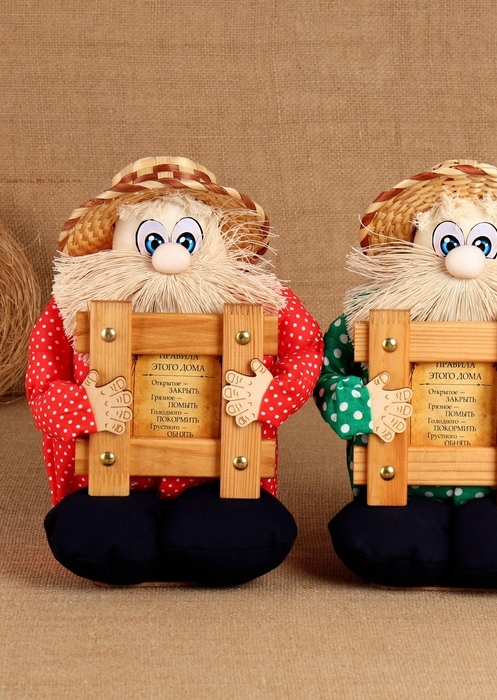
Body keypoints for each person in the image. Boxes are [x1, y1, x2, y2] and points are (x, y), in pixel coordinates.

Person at [27, 157, 323, 586]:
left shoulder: (257, 298)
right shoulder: (73, 305)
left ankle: (207, 529)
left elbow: (306, 349)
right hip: (109, 481)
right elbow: (42, 384)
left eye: (186, 239)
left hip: (222, 478)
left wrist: (267, 397)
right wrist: (85, 406)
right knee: (98, 537)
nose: (169, 255)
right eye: (151, 240)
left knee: (236, 538)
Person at [316, 160, 497, 589]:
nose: (463, 258)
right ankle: (408, 528)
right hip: (399, 488)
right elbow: (325, 370)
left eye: (484, 243)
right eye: (448, 241)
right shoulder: (371, 312)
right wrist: (362, 404)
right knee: (386, 540)